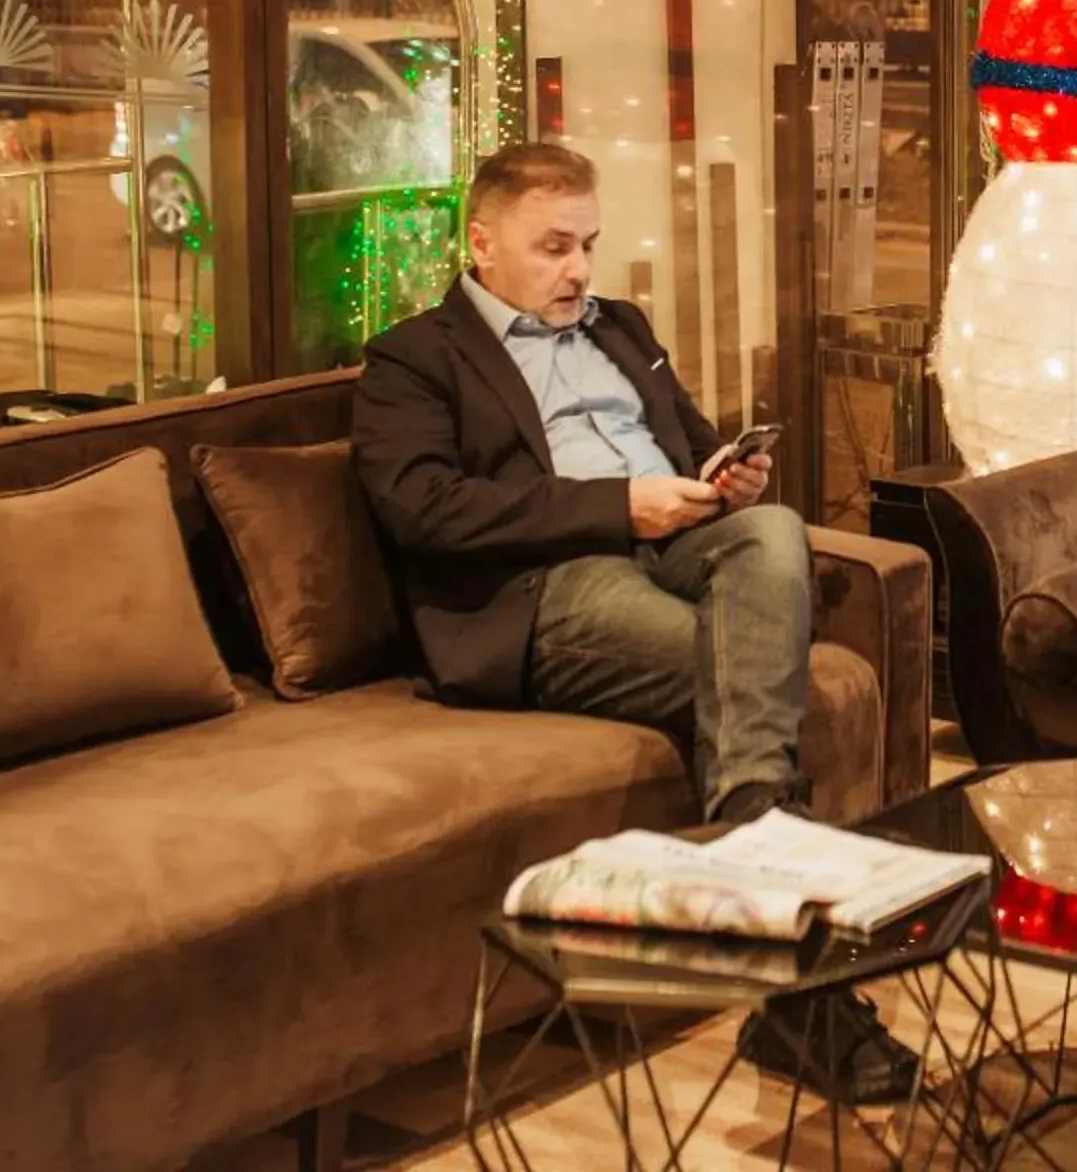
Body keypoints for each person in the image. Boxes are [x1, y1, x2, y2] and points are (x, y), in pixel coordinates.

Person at [352, 141, 912, 1101]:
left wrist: (723, 476)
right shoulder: (413, 359)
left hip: (678, 544)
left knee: (771, 529)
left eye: (589, 245)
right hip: (548, 586)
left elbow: (688, 446)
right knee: (757, 682)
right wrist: (618, 508)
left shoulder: (621, 327)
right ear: (481, 243)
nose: (578, 270)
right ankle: (807, 992)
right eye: (554, 247)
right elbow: (426, 510)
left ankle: (771, 906)